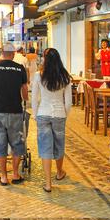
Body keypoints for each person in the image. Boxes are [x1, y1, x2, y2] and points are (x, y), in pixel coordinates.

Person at [0, 42, 28, 186]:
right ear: (14, 53)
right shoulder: (19, 68)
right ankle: (16, 174)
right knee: (16, 143)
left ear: (2, 52)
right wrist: (25, 99)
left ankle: (4, 177)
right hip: (15, 110)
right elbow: (24, 89)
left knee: (0, 142)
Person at [32, 48, 72, 193]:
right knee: (59, 144)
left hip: (43, 113)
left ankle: (48, 183)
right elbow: (68, 102)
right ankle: (59, 172)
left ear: (45, 59)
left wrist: (35, 115)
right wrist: (64, 114)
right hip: (59, 115)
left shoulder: (39, 75)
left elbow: (34, 99)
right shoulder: (65, 77)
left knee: (45, 147)